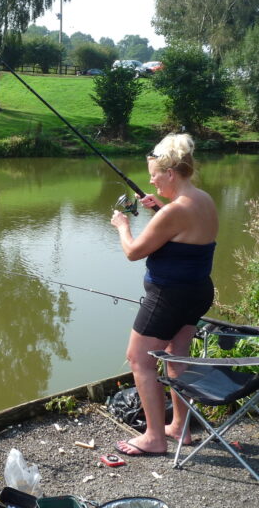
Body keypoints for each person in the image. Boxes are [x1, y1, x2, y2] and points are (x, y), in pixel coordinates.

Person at [110, 133, 218, 456]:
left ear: (170, 173)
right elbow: (184, 232)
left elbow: (133, 252)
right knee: (176, 356)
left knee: (139, 359)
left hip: (168, 297)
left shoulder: (174, 212)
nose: (151, 181)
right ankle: (179, 428)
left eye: (154, 175)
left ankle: (154, 437)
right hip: (197, 292)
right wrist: (160, 208)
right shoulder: (204, 201)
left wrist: (122, 225)